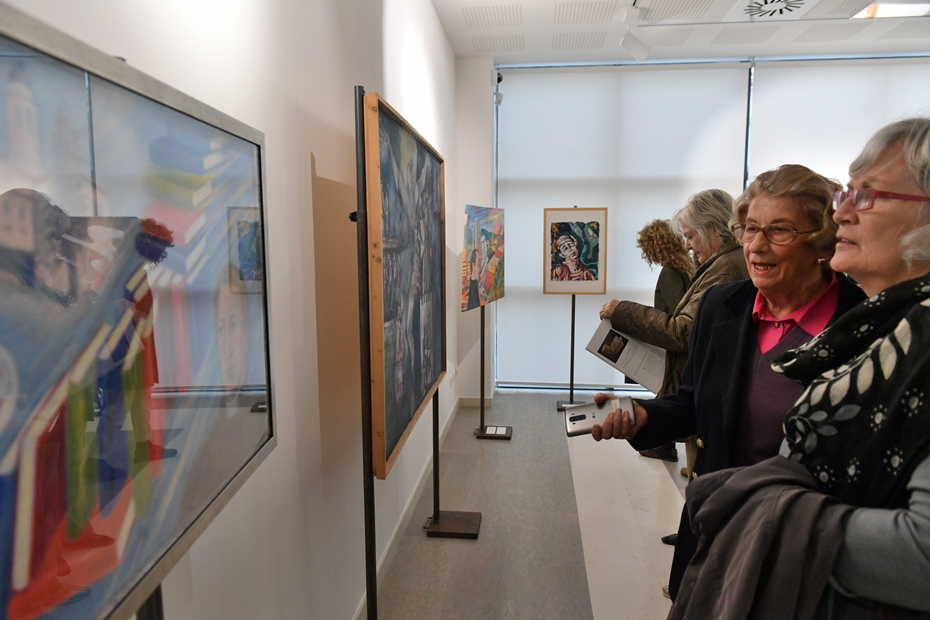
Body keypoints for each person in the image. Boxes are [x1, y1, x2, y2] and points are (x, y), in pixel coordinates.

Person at [669, 117, 930, 618]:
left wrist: (764, 510)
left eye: (868, 195)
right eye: (846, 194)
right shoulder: (881, 326)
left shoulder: (902, 333)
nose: (843, 213)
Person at [592, 163, 868, 602]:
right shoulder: (724, 305)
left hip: (802, 551)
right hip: (718, 527)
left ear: (820, 240)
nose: (756, 245)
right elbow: (695, 402)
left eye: (779, 230)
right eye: (750, 228)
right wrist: (644, 416)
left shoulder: (863, 323)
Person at [601, 196, 746, 468]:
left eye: (691, 236)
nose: (688, 245)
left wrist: (623, 311)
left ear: (713, 229)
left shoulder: (725, 267)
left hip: (703, 392)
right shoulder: (717, 264)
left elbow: (682, 330)